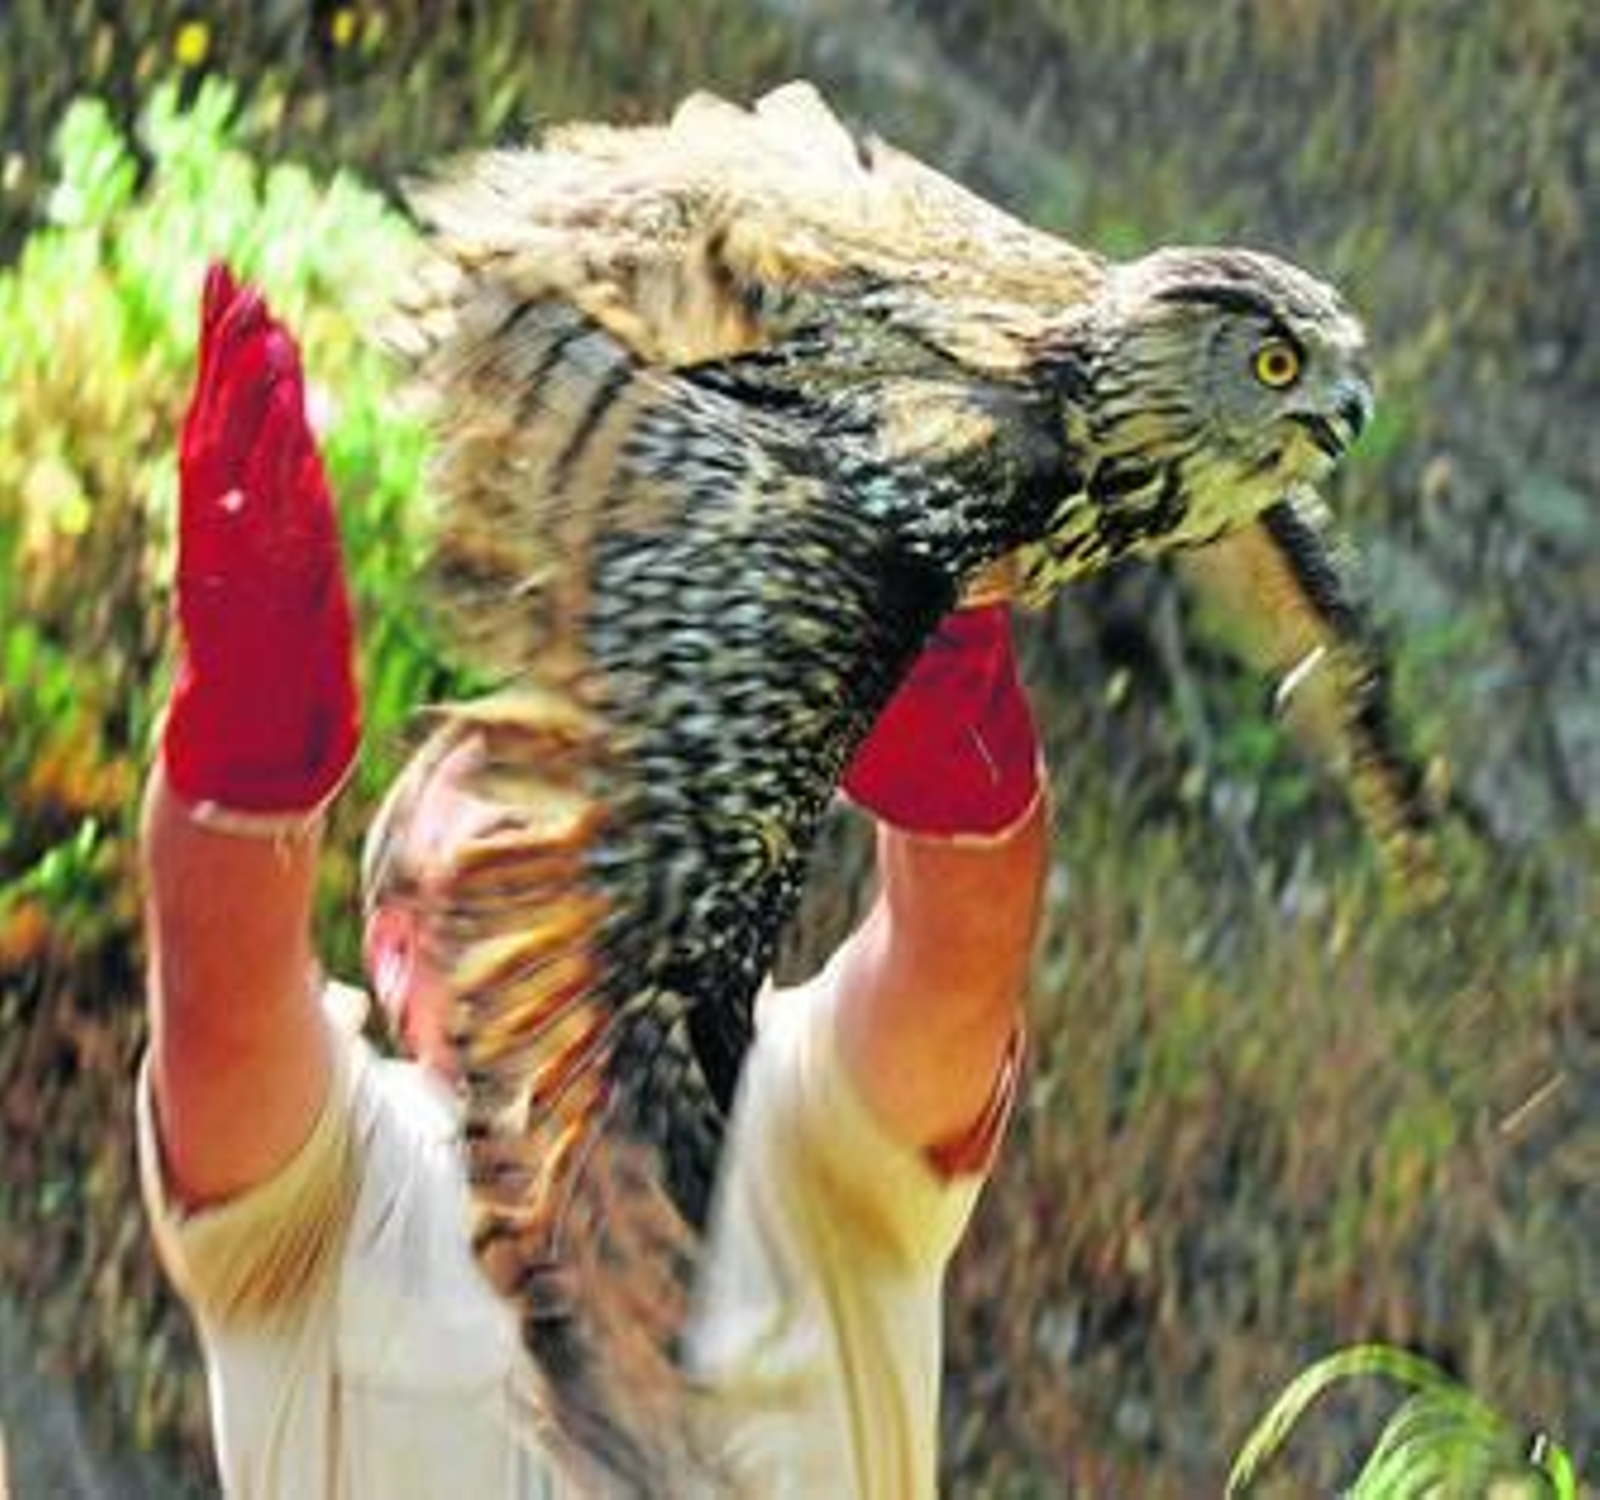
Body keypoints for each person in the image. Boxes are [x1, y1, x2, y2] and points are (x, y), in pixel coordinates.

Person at [138, 266, 1050, 1497]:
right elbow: (222, 1000)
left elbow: (958, 967)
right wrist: (253, 734)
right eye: (504, 856)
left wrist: (940, 706)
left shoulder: (798, 1126)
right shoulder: (339, 1190)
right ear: (397, 958)